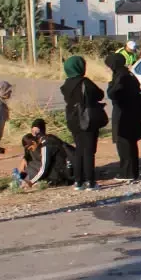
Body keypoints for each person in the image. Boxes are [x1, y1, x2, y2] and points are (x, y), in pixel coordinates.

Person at [104, 52, 141, 182]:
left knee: (124, 145)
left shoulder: (121, 76)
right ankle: (133, 172)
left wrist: (110, 85)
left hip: (124, 115)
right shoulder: (128, 74)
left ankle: (127, 174)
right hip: (133, 113)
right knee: (130, 145)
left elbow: (114, 94)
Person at [61, 56, 106, 191]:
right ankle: (90, 182)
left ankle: (78, 181)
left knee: (79, 150)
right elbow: (99, 94)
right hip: (86, 119)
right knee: (89, 151)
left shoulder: (66, 84)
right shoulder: (84, 82)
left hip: (73, 119)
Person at [14, 120, 73, 188]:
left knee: (33, 169)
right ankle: (22, 178)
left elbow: (44, 168)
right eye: (33, 132)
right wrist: (24, 158)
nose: (34, 134)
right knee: (30, 165)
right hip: (60, 169)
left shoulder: (46, 144)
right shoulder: (45, 140)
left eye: (35, 132)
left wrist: (30, 182)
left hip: (62, 174)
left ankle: (25, 179)